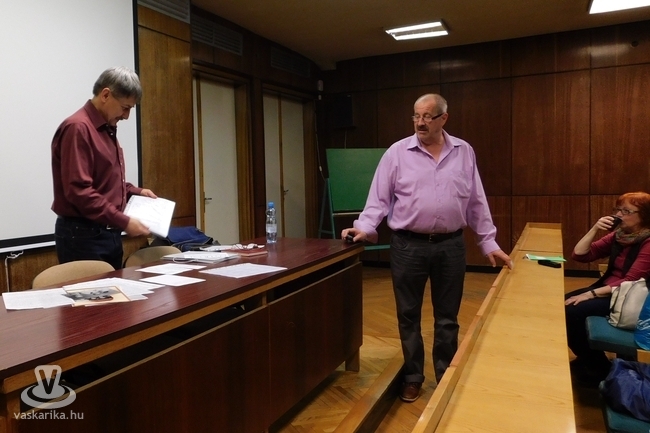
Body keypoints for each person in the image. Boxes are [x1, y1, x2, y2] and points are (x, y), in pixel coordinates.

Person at [342, 93, 512, 403]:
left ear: (443, 118)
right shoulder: (396, 153)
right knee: (408, 315)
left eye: (427, 117)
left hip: (451, 246)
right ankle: (412, 376)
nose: (420, 122)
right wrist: (364, 227)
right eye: (416, 116)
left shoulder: (464, 152)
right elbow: (378, 199)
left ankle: (445, 374)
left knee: (448, 317)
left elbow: (476, 201)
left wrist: (488, 241)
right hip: (408, 246)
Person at [51, 66, 156, 270]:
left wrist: (136, 191)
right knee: (94, 293)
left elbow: (105, 181)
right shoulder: (78, 128)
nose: (126, 116)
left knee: (115, 291)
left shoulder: (106, 129)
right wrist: (124, 221)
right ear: (106, 95)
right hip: (83, 236)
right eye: (125, 107)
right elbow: (79, 191)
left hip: (107, 234)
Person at [565, 192, 650, 384]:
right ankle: (590, 360)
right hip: (610, 290)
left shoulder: (647, 241)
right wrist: (595, 228)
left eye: (626, 211)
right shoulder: (621, 235)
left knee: (572, 310)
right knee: (565, 303)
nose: (619, 215)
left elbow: (631, 280)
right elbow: (580, 255)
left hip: (631, 298)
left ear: (644, 215)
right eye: (618, 210)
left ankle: (599, 369)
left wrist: (591, 294)